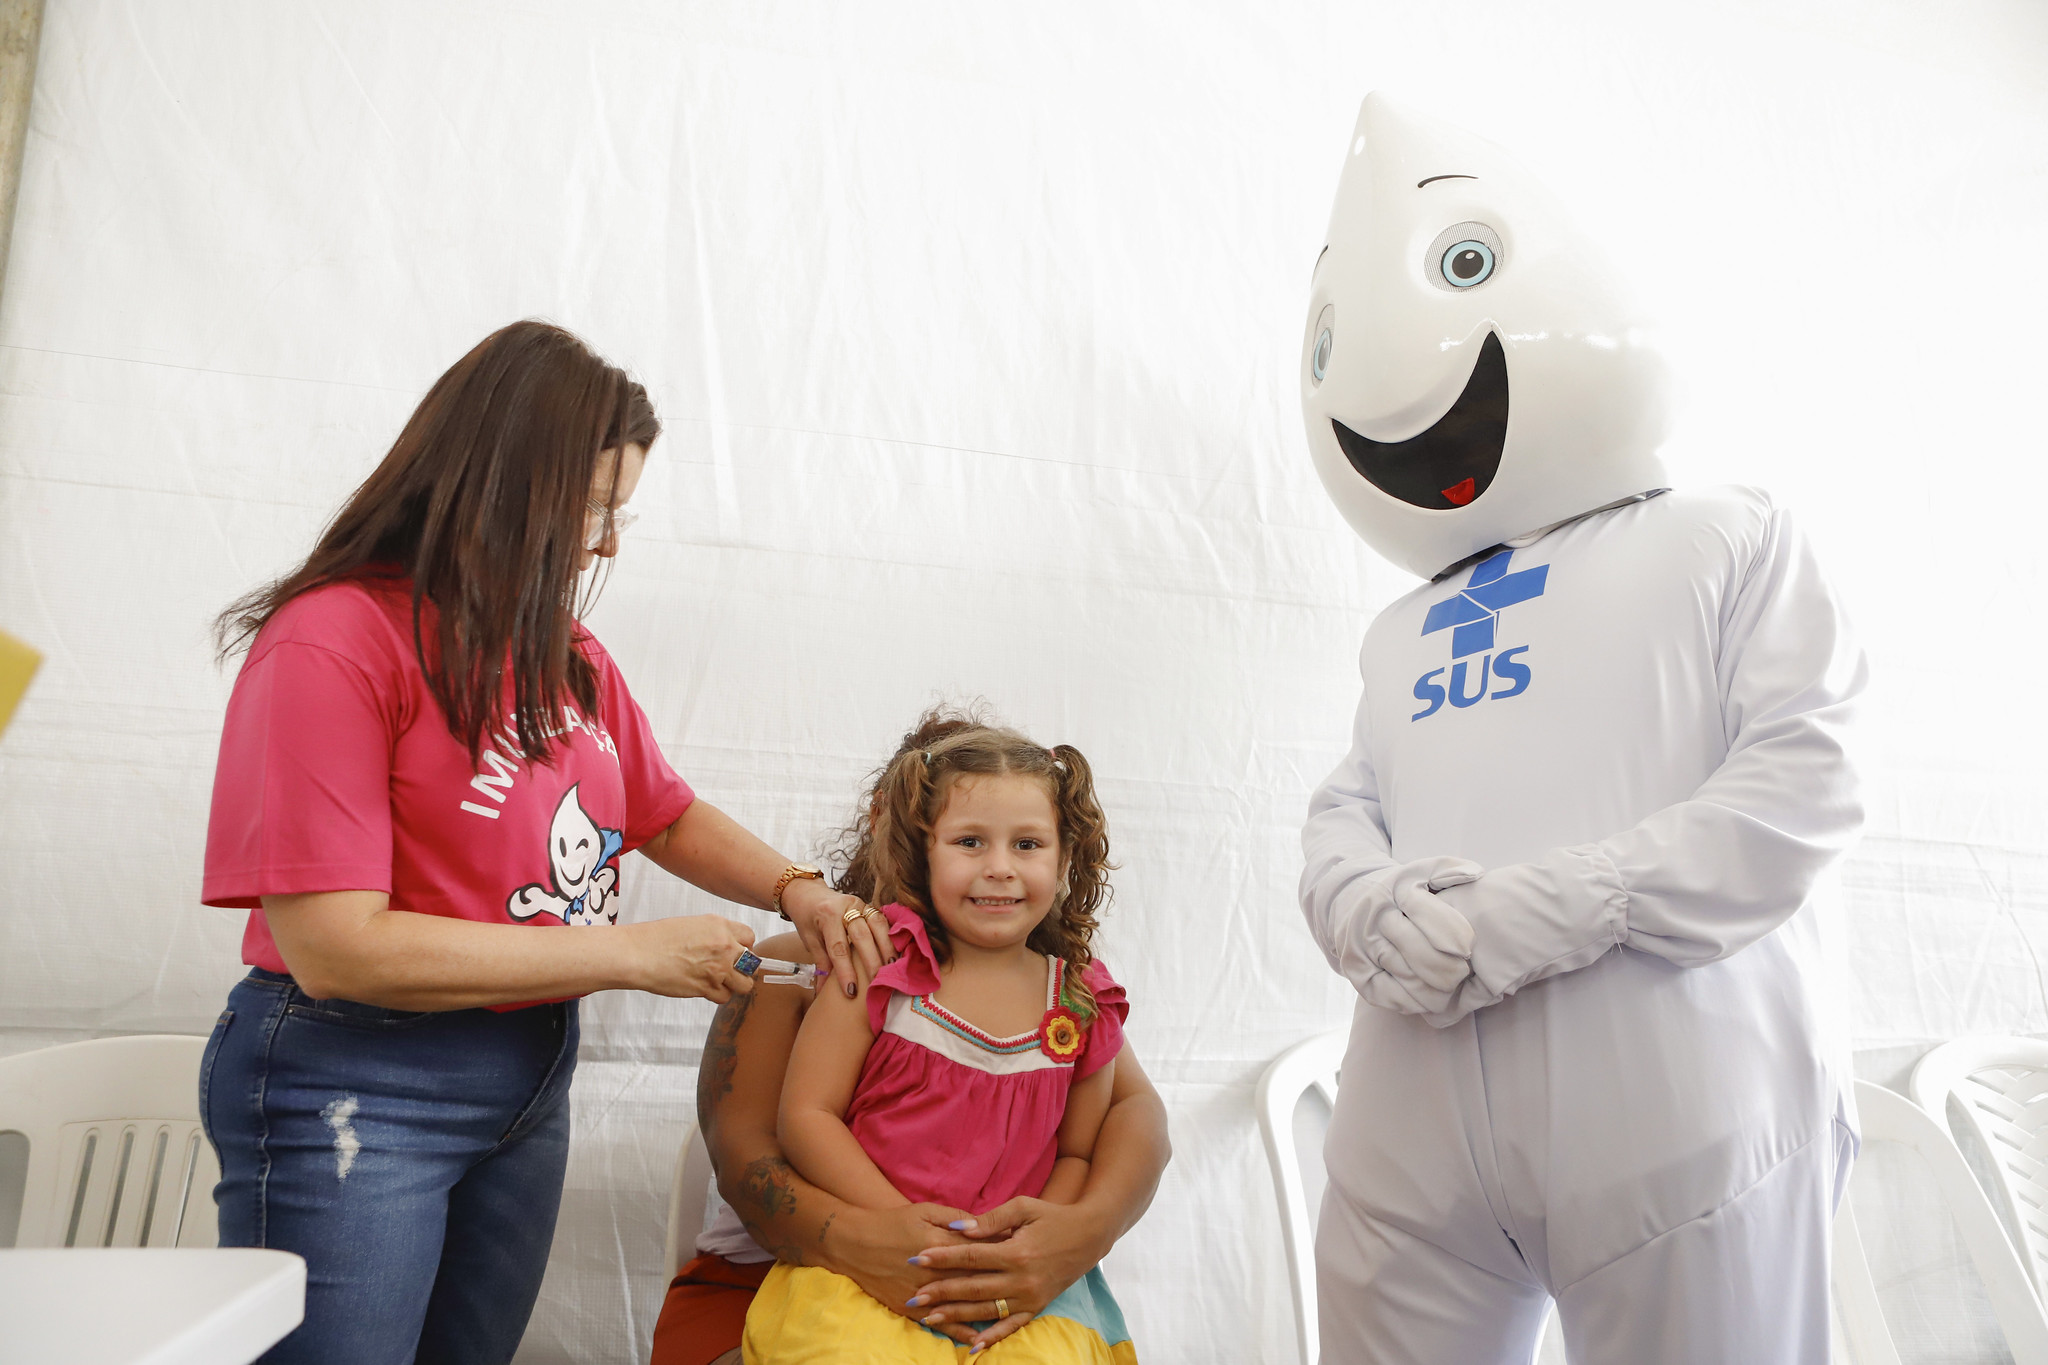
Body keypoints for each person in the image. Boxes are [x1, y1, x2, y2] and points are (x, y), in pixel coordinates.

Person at [197, 320, 890, 1365]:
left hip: (523, 1079)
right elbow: (337, 948)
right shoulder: (331, 642)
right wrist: (630, 954)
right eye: (596, 510)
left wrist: (801, 891)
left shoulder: (562, 652)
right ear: (503, 485)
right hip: (355, 1081)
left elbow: (662, 812)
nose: (607, 543)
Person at [1294, 97, 1865, 1364]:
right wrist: (1360, 904)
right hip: (1405, 1128)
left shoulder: (1727, 532)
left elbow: (1800, 783)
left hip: (1673, 1109)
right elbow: (1349, 803)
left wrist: (1567, 902)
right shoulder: (1399, 630)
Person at [713, 711, 1145, 1362]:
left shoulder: (1080, 1001)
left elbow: (1080, 1151)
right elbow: (806, 1115)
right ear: (914, 846)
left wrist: (1034, 1240)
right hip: (866, 1259)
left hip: (1012, 1275)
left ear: (1065, 856)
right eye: (970, 841)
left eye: (1027, 844)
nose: (999, 867)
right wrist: (897, 1227)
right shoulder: (873, 972)